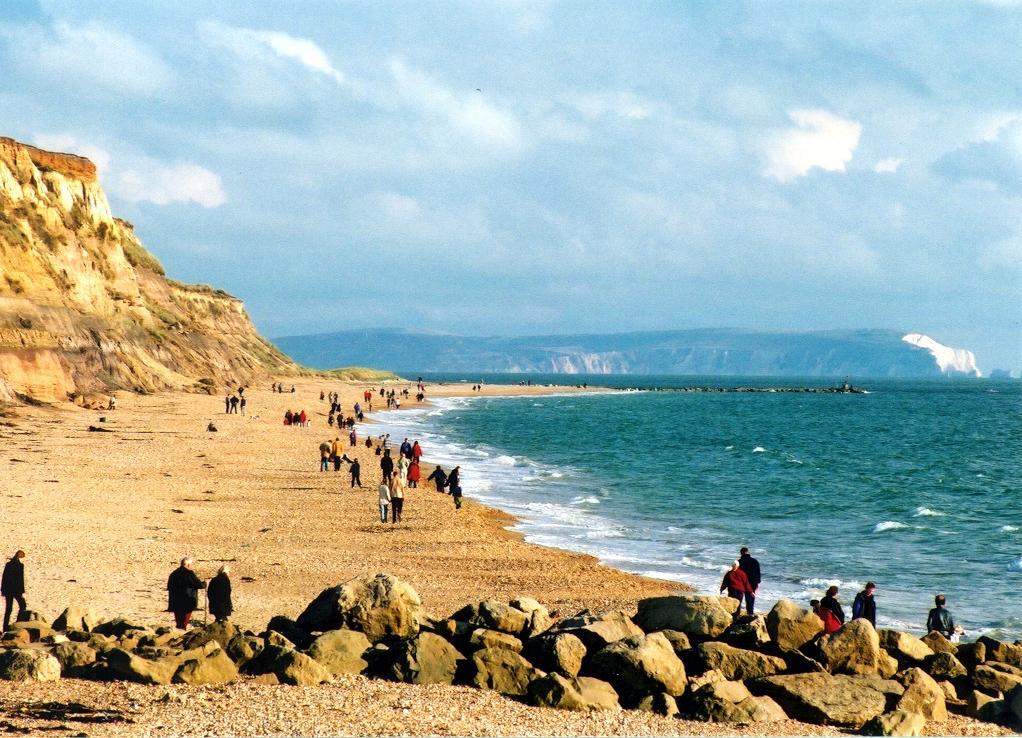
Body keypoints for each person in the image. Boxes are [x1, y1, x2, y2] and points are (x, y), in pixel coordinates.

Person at [167, 557, 206, 630]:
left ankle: (178, 630)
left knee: (178, 618)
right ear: (188, 565)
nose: (191, 566)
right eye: (191, 565)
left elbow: (169, 586)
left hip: (175, 599)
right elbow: (198, 584)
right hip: (187, 599)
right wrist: (204, 584)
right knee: (185, 618)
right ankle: (182, 630)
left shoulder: (174, 573)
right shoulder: (189, 573)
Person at [2, 550, 27, 632]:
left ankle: (5, 627)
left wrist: (3, 590)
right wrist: (21, 591)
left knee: (9, 609)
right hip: (15, 590)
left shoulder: (9, 565)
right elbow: (20, 580)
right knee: (22, 605)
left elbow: (4, 578)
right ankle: (18, 623)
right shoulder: (20, 566)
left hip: (9, 590)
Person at [738, 547, 761, 616]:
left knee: (739, 598)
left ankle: (737, 612)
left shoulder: (739, 561)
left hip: (742, 582)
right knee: (750, 597)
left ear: (741, 553)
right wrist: (757, 582)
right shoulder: (755, 561)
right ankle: (750, 613)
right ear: (748, 552)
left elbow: (737, 572)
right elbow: (758, 572)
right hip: (752, 582)